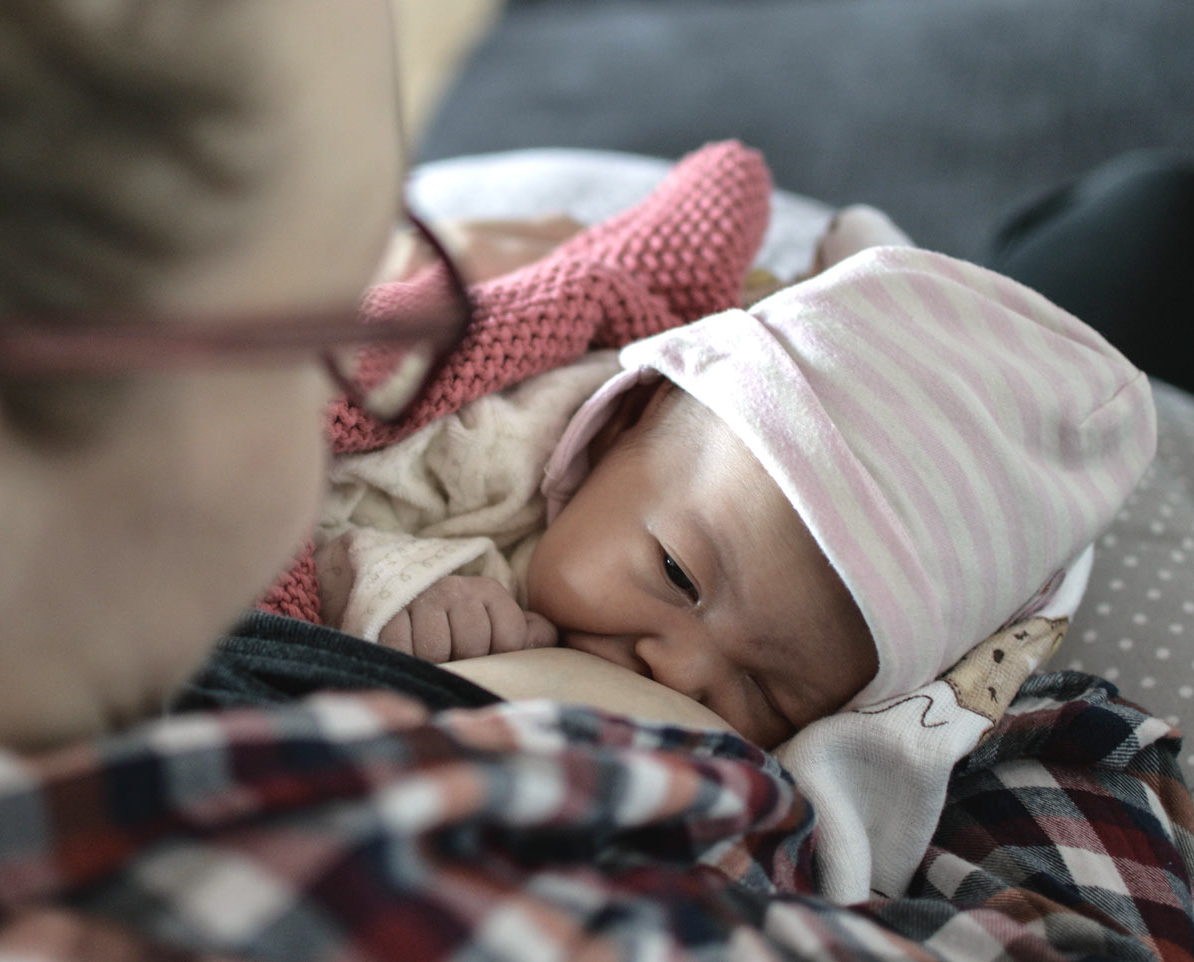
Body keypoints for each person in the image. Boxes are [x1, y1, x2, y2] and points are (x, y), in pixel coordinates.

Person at [0, 3, 1190, 962]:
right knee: (1143, 233)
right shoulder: (341, 887)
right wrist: (1014, 734)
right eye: (335, 320)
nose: (413, 365)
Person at [312, 182, 1155, 751]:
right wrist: (398, 581)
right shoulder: (488, 446)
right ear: (619, 427)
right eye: (677, 573)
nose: (683, 672)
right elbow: (295, 493)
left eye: (768, 691)